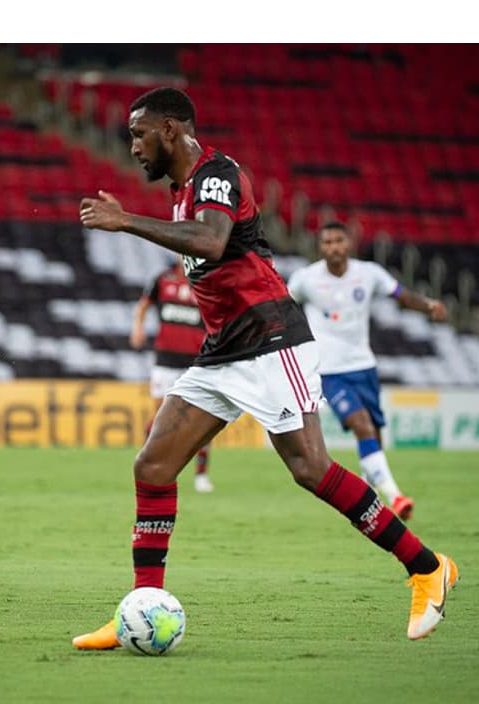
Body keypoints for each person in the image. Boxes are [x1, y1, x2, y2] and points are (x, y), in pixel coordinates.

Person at [74, 87, 457, 648]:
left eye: (139, 133)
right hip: (223, 348)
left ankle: (426, 567)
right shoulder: (182, 190)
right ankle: (142, 605)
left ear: (171, 131)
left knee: (310, 468)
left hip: (272, 339)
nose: (132, 146)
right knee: (153, 465)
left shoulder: (217, 174)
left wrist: (126, 220)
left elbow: (211, 240)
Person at [287, 221, 448, 520]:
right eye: (327, 242)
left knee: (373, 431)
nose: (333, 247)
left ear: (349, 243)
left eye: (338, 240)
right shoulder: (306, 279)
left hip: (364, 366)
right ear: (320, 247)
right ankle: (396, 497)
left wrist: (428, 306)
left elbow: (401, 295)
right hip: (330, 371)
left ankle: (368, 489)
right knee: (361, 424)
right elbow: (282, 305)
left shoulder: (369, 273)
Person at [131, 258, 214, 492]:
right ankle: (146, 464)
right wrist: (137, 328)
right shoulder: (162, 280)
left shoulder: (205, 281)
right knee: (159, 417)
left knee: (203, 419)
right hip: (165, 360)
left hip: (195, 362)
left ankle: (201, 475)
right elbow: (144, 304)